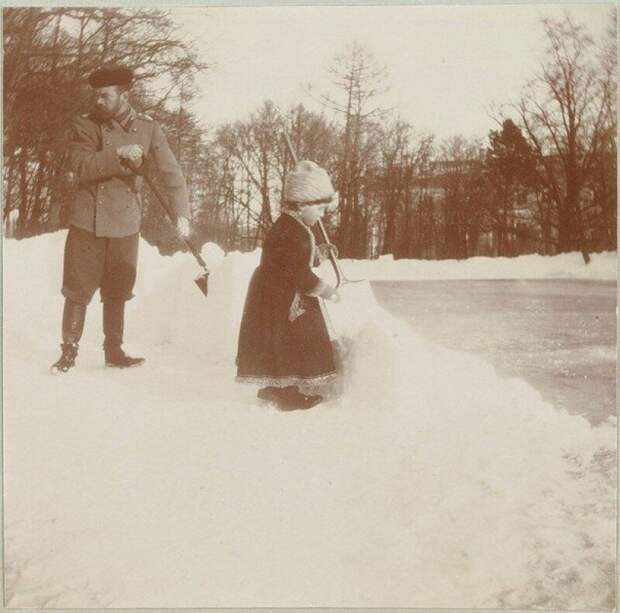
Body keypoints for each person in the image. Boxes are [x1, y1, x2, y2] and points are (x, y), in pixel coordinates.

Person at [51, 63, 191, 373]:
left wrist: (182, 214)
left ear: (123, 94)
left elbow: (172, 173)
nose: (97, 102)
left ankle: (113, 351)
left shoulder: (149, 127)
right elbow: (81, 167)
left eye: (105, 96)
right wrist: (118, 156)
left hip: (126, 222)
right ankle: (68, 352)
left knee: (118, 289)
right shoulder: (85, 125)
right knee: (78, 289)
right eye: (96, 96)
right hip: (88, 220)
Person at [236, 160, 341, 411]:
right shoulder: (292, 230)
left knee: (278, 342)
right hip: (282, 298)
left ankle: (274, 386)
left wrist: (319, 253)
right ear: (303, 204)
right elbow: (296, 271)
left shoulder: (292, 225)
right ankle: (288, 394)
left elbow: (295, 258)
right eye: (320, 209)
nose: (322, 215)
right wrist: (325, 289)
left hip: (275, 293)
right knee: (292, 340)